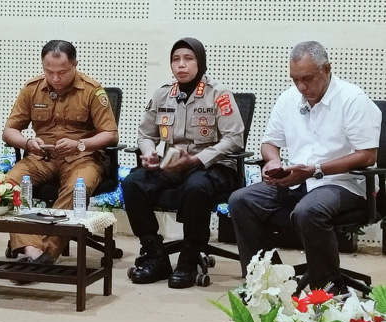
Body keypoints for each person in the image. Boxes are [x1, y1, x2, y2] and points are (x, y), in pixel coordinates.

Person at [229, 41, 381, 294]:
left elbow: (367, 155)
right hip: (300, 180)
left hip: (344, 183)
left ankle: (328, 292)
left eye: (308, 78)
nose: (301, 86)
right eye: (295, 79)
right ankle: (268, 284)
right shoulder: (289, 98)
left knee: (308, 211)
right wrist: (273, 161)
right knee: (241, 200)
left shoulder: (353, 100)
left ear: (327, 69)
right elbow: (269, 142)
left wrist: (315, 170)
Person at [122, 37, 244, 289]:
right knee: (134, 183)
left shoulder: (218, 94)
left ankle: (189, 257)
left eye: (188, 59)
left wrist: (198, 159)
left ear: (200, 63)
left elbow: (234, 138)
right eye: (176, 59)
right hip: (173, 164)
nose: (181, 65)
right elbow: (145, 135)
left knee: (196, 187)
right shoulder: (163, 94)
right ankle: (155, 255)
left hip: (212, 165)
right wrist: (149, 153)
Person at [2, 40, 118, 264]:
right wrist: (27, 143)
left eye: (62, 72)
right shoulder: (32, 88)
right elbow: (9, 131)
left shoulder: (92, 90)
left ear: (75, 65)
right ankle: (32, 250)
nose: (55, 78)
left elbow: (111, 134)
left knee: (77, 189)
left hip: (82, 158)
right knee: (8, 185)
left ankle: (47, 252)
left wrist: (80, 144)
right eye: (49, 72)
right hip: (41, 158)